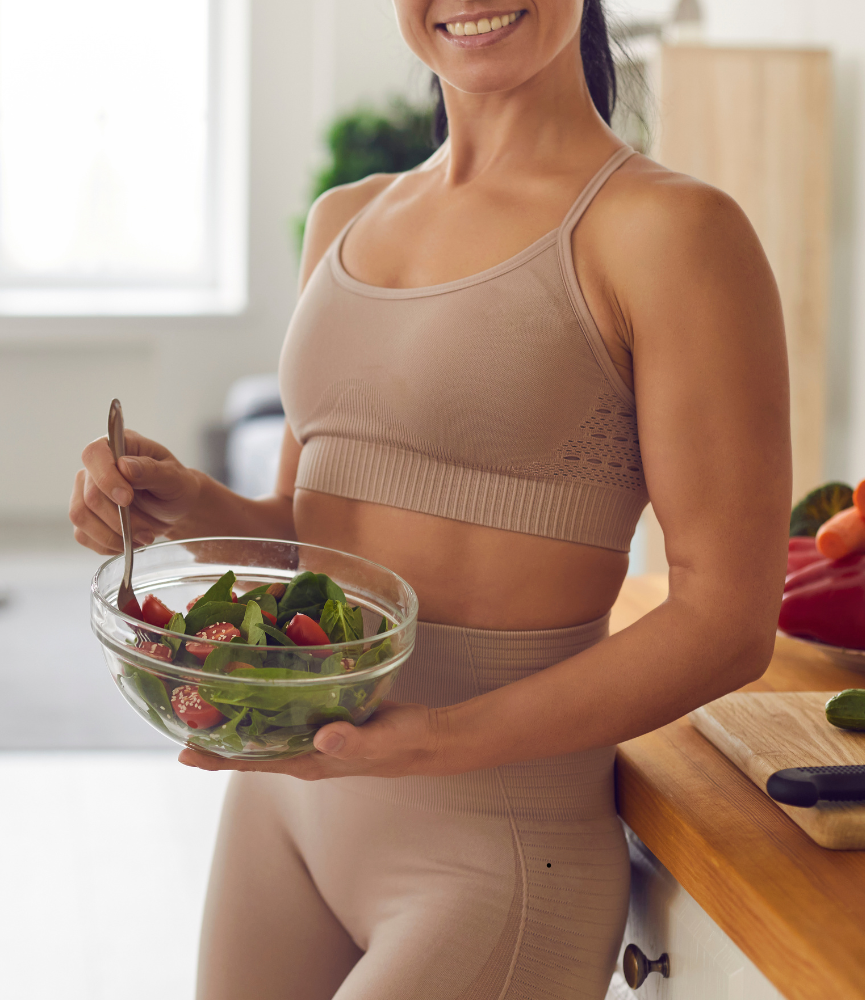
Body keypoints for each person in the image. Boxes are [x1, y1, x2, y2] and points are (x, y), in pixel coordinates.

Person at [69, 1, 790, 996]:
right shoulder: (344, 219)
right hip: (284, 810)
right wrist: (183, 503)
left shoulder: (671, 232)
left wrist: (437, 740)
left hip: (491, 850)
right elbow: (311, 545)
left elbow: (728, 621)